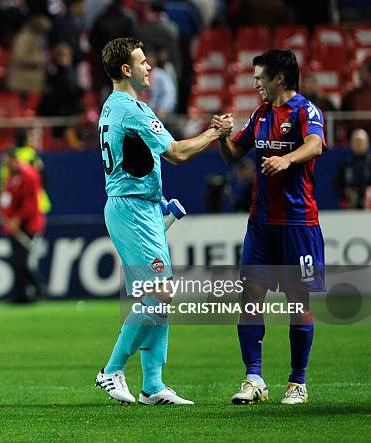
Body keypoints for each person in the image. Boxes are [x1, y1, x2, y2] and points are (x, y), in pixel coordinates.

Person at [94, 37, 232, 405]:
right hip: (133, 210)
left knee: (159, 297)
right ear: (126, 70)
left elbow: (139, 159)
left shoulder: (111, 107)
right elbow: (177, 153)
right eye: (142, 61)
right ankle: (111, 370)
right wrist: (215, 133)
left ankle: (153, 385)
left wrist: (155, 197)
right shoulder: (134, 109)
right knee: (159, 294)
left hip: (140, 206)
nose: (148, 67)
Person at [216, 49, 326, 405]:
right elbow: (235, 153)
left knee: (298, 303)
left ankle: (297, 382)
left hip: (298, 223)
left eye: (260, 78)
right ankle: (254, 379)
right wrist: (222, 136)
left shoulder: (305, 111)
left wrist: (286, 159)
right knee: (249, 298)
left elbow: (315, 145)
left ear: (280, 78)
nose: (255, 83)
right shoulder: (261, 114)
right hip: (260, 223)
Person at [0, 149, 46, 304]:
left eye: (5, 161)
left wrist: (17, 218)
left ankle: (39, 288)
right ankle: (20, 295)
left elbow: (31, 202)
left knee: (20, 260)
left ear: (12, 159)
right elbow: (9, 198)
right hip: (14, 225)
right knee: (17, 261)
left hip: (27, 225)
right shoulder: (12, 176)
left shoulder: (28, 174)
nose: (4, 165)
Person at [334, 128, 370, 209]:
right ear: (351, 143)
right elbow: (337, 185)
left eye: (361, 141)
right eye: (356, 142)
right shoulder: (346, 163)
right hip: (350, 204)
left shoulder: (369, 162)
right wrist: (346, 193)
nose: (358, 144)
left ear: (367, 143)